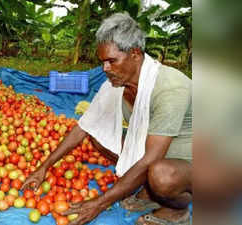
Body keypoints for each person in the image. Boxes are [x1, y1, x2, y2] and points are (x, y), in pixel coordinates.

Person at [21, 12, 192, 225]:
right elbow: (83, 127)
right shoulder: (117, 83)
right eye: (103, 62)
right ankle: (149, 190)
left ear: (135, 54)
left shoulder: (169, 89)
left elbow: (151, 159)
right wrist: (43, 168)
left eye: (112, 61)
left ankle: (177, 210)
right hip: (155, 148)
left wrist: (99, 203)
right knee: (97, 137)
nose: (105, 69)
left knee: (161, 175)